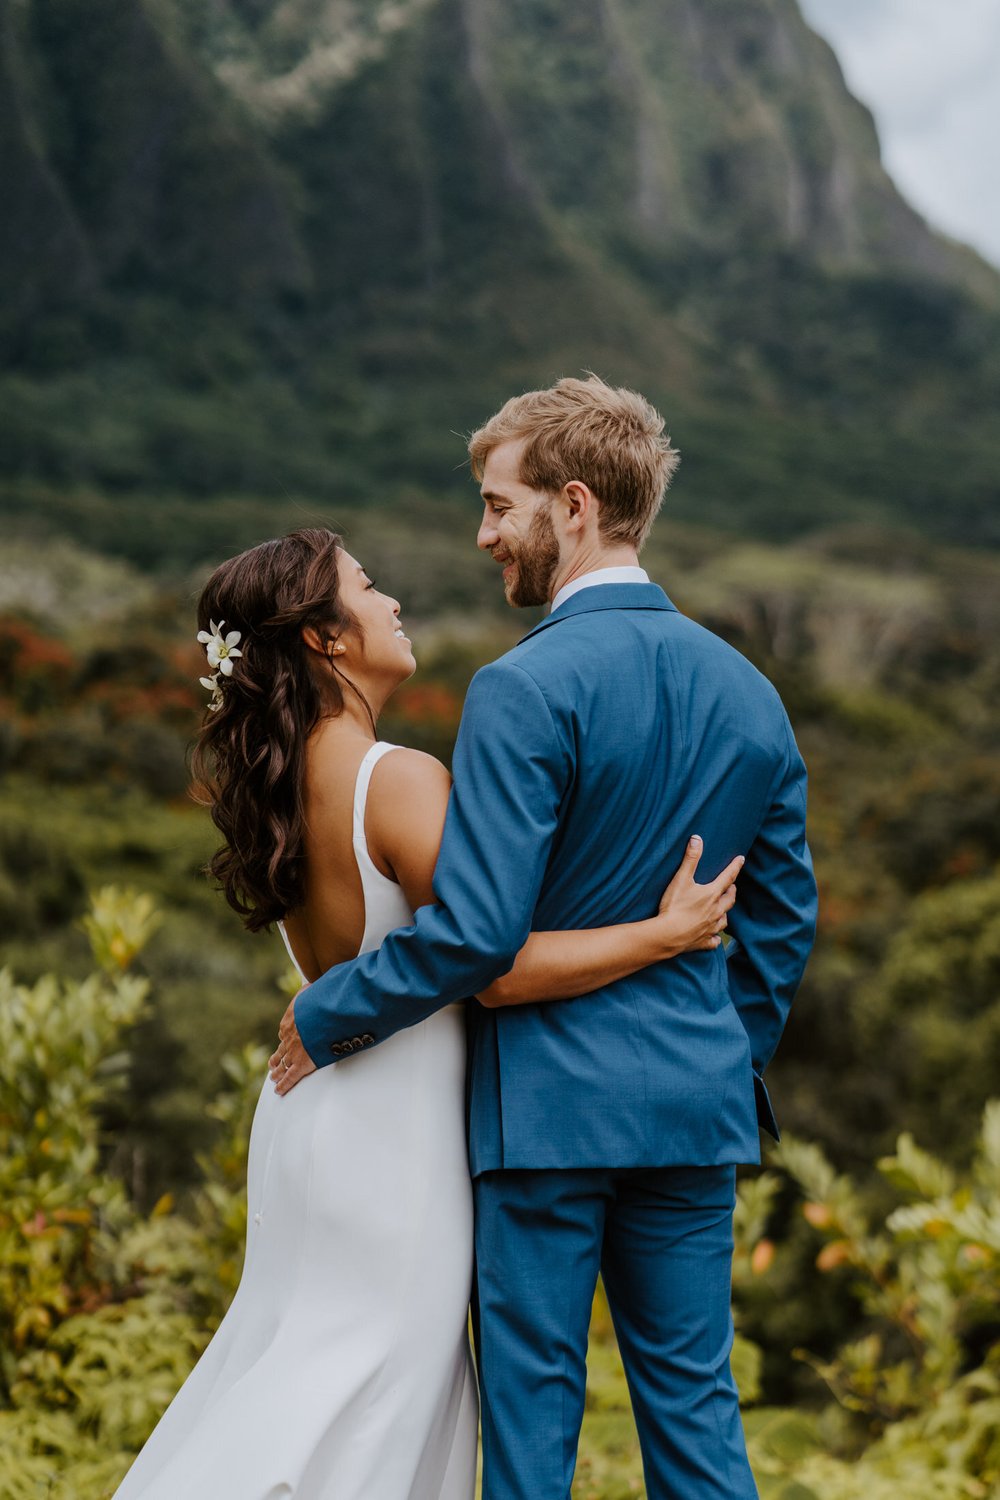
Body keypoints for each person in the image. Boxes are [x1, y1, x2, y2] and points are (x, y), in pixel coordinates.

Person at [111, 524, 744, 1500]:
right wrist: (664, 935)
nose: (393, 603)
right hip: (391, 1143)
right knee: (367, 1400)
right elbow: (493, 962)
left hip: (317, 1117)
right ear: (323, 637)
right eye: (369, 587)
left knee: (312, 1379)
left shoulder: (287, 789)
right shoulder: (395, 780)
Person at [275, 376, 818, 1500]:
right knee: (697, 1419)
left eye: (497, 505)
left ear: (572, 506)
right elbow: (781, 925)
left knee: (530, 1440)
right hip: (690, 1111)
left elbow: (476, 934)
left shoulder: (523, 689)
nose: (485, 536)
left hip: (543, 1122)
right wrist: (717, 1052)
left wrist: (329, 1012)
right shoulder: (753, 696)